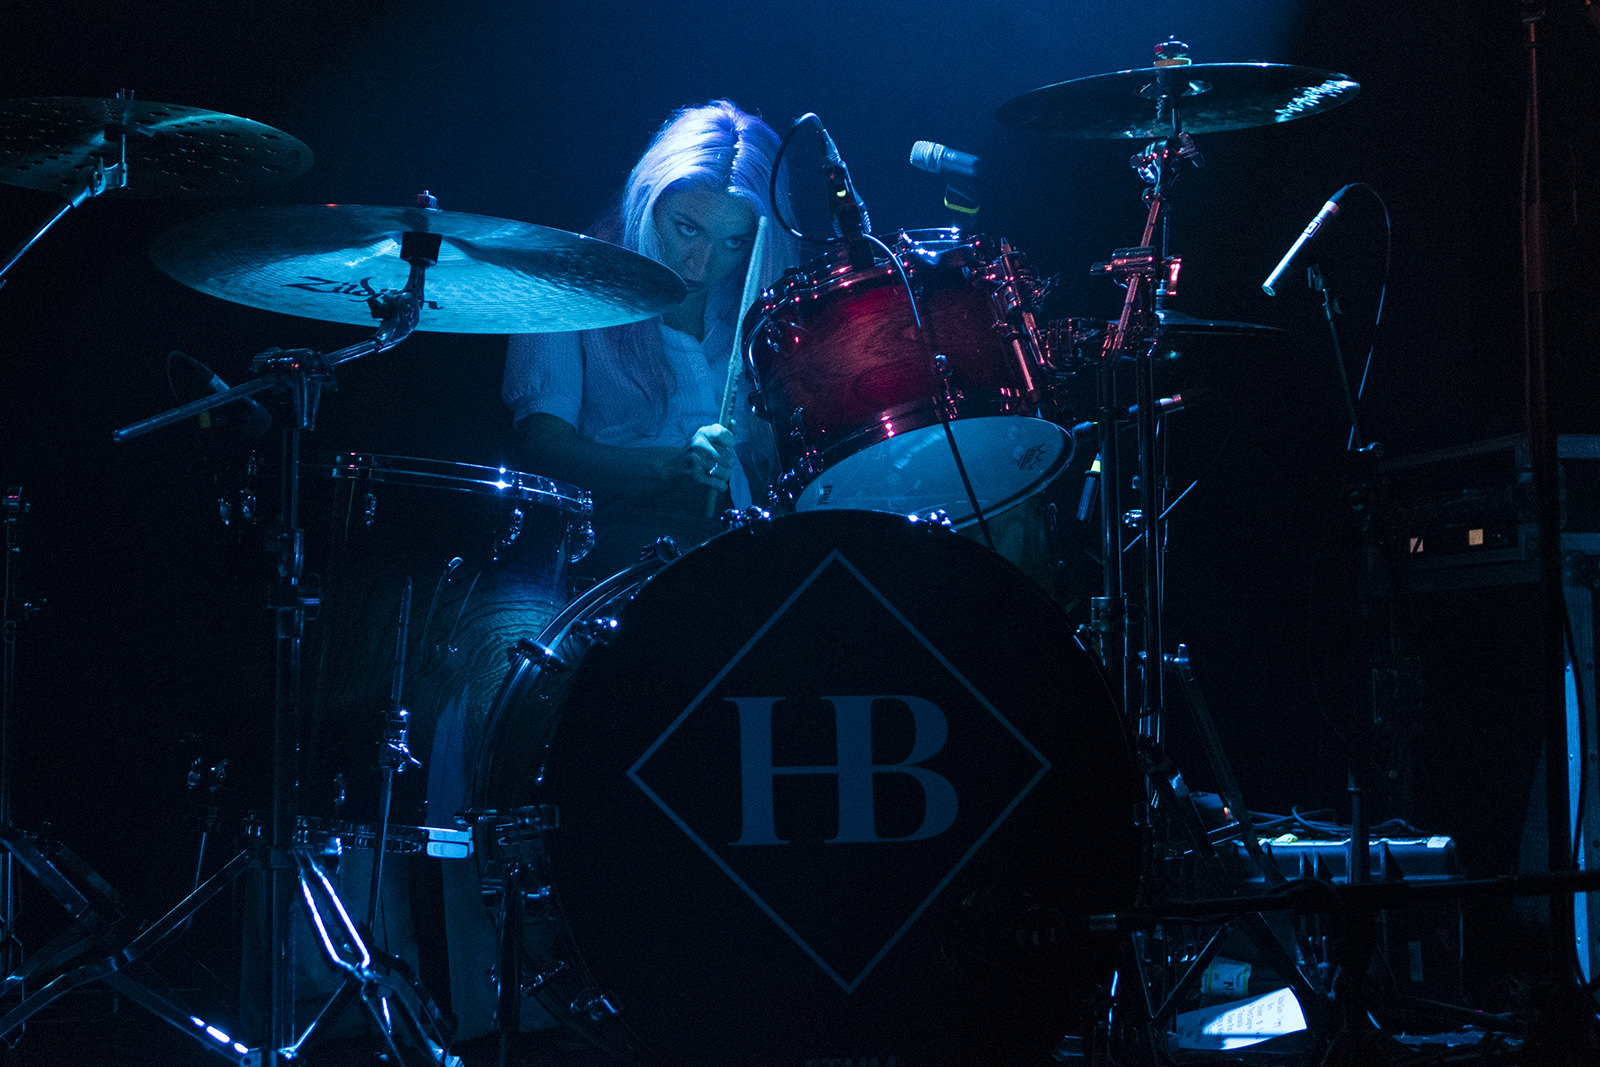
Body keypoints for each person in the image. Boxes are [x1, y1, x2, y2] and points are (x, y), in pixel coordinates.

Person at [502, 99, 801, 578]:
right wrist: (669, 466)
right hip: (609, 553)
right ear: (648, 199)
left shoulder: (766, 304)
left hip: (752, 549)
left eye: (733, 242)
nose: (701, 265)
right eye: (687, 229)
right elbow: (543, 447)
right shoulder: (566, 282)